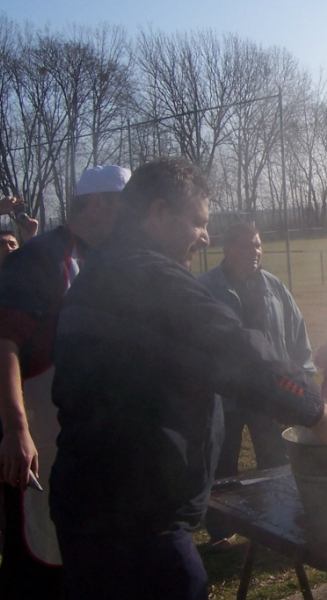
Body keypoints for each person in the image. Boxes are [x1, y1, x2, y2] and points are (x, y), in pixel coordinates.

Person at [48, 157, 327, 600]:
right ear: (158, 214)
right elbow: (240, 353)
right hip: (139, 525)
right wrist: (320, 414)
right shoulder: (152, 278)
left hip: (85, 511)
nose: (206, 236)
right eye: (199, 222)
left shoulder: (94, 275)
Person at [0, 165, 130, 599]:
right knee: (39, 554)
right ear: (98, 204)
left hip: (88, 441)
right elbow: (5, 345)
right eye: (124, 208)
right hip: (40, 439)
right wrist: (17, 430)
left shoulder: (108, 261)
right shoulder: (38, 258)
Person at [198, 222, 315, 550]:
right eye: (248, 246)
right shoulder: (206, 288)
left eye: (259, 245)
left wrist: (301, 379)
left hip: (269, 395)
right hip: (225, 397)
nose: (256, 252)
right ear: (228, 249)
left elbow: (296, 334)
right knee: (222, 464)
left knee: (276, 462)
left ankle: (279, 521)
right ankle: (221, 532)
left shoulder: (274, 287)